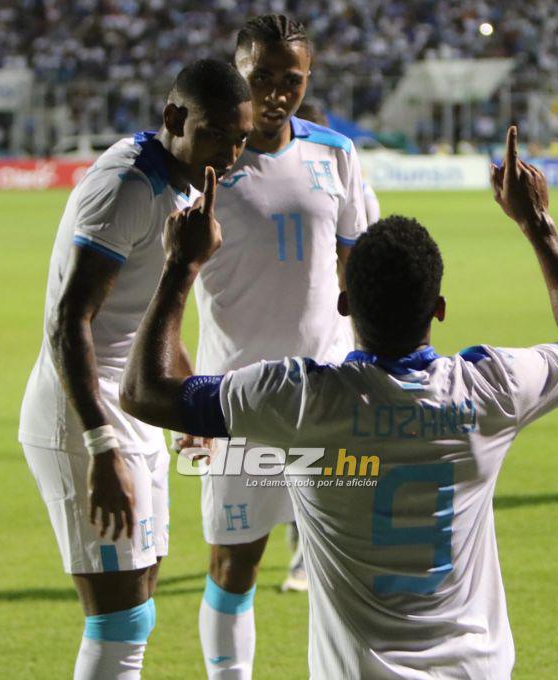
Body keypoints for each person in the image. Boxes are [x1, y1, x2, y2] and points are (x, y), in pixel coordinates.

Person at [120, 124, 558, 679]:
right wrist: (538, 225)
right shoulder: (491, 387)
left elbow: (144, 391)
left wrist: (180, 267)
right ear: (439, 309)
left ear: (346, 304)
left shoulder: (302, 399)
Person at [16, 60, 252, 679]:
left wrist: (186, 400)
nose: (231, 153)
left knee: (138, 602)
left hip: (135, 405)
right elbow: (71, 322)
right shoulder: (128, 187)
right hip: (82, 413)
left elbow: (149, 315)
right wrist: (100, 445)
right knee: (119, 621)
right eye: (219, 135)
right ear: (174, 119)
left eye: (242, 139)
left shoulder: (187, 183)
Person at [179, 15, 367, 679]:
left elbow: (359, 270)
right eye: (262, 79)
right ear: (239, 75)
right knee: (235, 565)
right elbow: (168, 289)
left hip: (330, 395)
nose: (278, 93)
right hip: (237, 402)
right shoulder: (207, 167)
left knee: (343, 566)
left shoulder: (336, 154)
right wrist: (184, 402)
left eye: (293, 80)